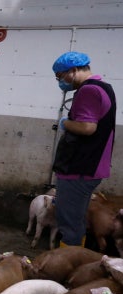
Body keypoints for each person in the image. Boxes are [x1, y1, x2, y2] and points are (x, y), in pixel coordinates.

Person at [51, 51, 116, 247]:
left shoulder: (88, 91)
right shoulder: (105, 88)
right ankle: (75, 260)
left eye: (60, 77)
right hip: (89, 167)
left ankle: (67, 267)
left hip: (80, 167)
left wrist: (66, 123)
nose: (61, 82)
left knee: (68, 222)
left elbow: (88, 127)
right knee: (76, 219)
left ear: (73, 70)